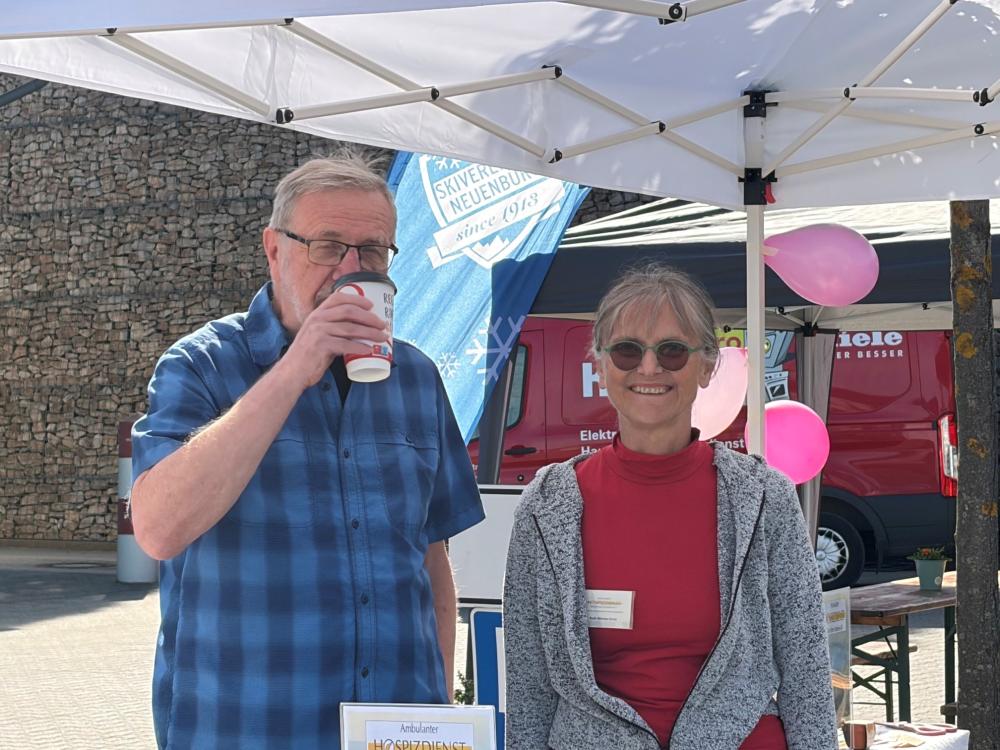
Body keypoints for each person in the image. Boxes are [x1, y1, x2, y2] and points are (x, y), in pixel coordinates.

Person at [130, 154, 484, 749]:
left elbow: (430, 559)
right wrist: (297, 366)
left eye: (372, 251)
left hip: (392, 729)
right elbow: (159, 529)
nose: (351, 268)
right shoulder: (202, 365)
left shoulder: (416, 377)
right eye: (327, 246)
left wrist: (439, 710)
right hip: (249, 727)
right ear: (274, 250)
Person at [503, 264, 837, 750]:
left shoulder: (764, 498)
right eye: (627, 350)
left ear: (706, 366)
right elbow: (530, 685)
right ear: (599, 364)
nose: (649, 367)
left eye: (673, 350)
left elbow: (805, 671)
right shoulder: (547, 506)